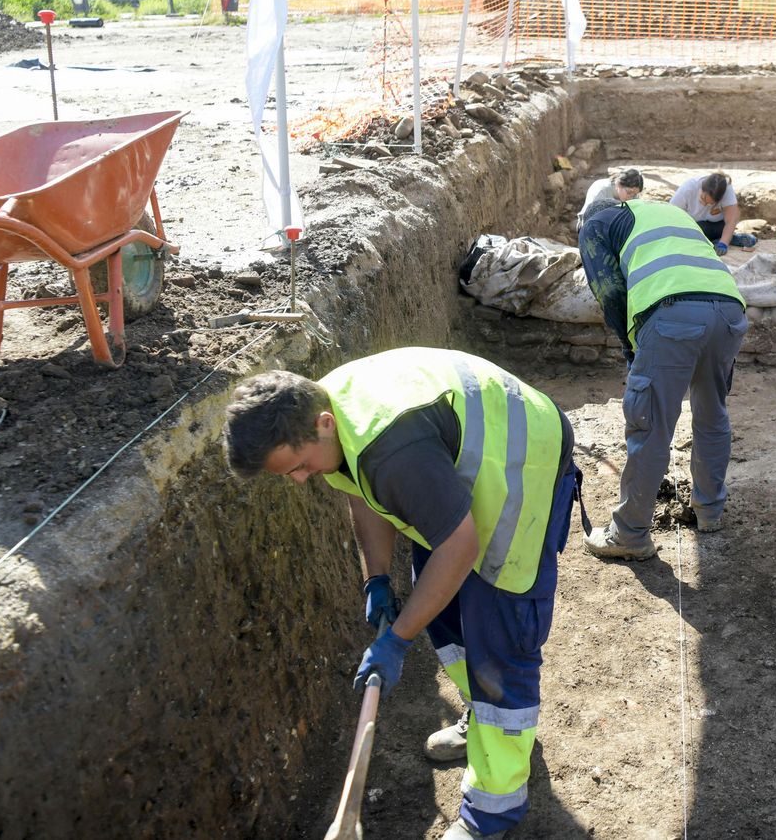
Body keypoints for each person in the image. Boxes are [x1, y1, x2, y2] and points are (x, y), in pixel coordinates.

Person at [223, 348, 581, 840]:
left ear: (323, 424)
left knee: (500, 639)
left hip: (523, 462)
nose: (301, 479)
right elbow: (359, 487)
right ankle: (484, 722)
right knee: (444, 613)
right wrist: (376, 578)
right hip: (456, 463)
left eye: (300, 466)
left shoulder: (391, 447)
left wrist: (397, 640)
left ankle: (492, 812)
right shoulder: (326, 414)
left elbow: (459, 547)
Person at [577, 196, 749, 561]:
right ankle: (710, 511)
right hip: (729, 309)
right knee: (712, 412)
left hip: (673, 313)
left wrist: (631, 349)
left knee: (650, 423)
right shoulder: (665, 212)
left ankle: (629, 534)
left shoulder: (595, 224)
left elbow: (610, 291)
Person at [669, 171, 757, 255]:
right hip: (693, 227)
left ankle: (722, 239)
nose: (704, 204)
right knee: (698, 229)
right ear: (701, 188)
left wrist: (723, 244)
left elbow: (731, 221)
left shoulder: (726, 190)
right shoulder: (688, 188)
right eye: (703, 198)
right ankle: (719, 240)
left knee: (727, 225)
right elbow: (670, 215)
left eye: (710, 203)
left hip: (717, 226)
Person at [576, 167, 644, 230]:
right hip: (589, 225)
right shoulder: (601, 190)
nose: (631, 197)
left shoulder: (633, 195)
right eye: (629, 192)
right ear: (619, 184)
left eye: (634, 194)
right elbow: (591, 218)